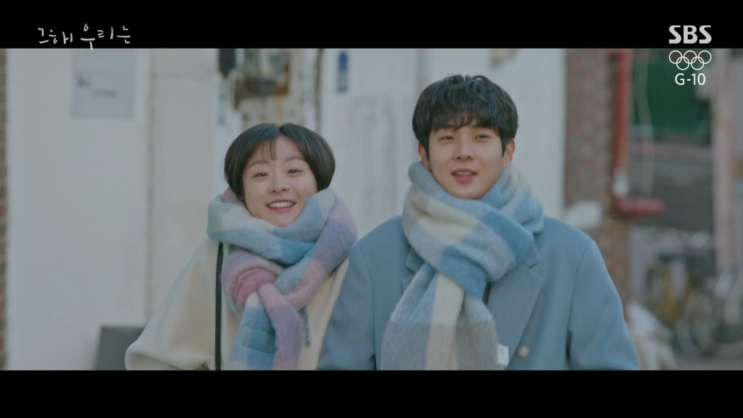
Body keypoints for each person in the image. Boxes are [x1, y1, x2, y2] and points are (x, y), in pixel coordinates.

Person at [317, 75, 641, 370]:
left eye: (481, 137)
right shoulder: (374, 257)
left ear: (508, 151)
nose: (464, 152)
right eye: (447, 138)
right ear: (424, 154)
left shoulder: (571, 256)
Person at [125, 123, 358, 370]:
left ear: (318, 181)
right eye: (261, 174)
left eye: (293, 171)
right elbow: (153, 360)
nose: (278, 185)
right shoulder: (215, 256)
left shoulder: (350, 260)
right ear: (241, 191)